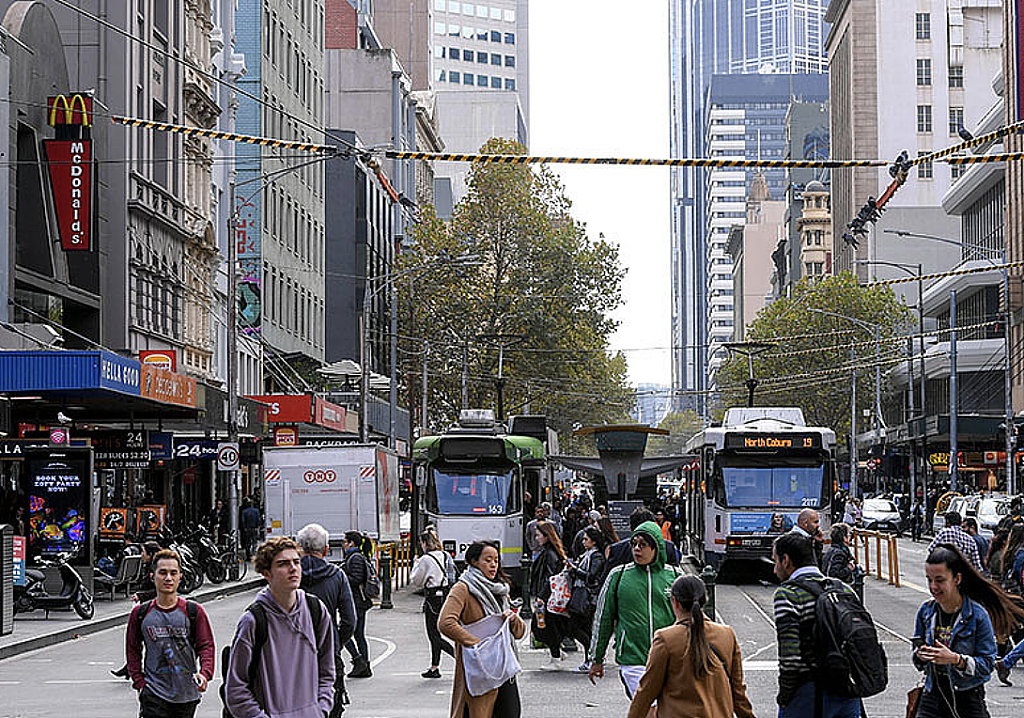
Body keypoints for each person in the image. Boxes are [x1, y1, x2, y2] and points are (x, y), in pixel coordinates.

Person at [225, 537, 334, 718]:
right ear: (267, 573)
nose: (293, 568)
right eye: (283, 564)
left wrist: (321, 709)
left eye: (296, 562)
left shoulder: (316, 610)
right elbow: (236, 690)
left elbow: (328, 670)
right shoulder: (253, 620)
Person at [912, 544, 1024, 717]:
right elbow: (917, 653)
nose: (933, 587)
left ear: (957, 579)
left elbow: (987, 665)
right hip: (932, 697)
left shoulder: (977, 616)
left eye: (940, 580)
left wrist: (957, 660)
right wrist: (920, 655)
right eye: (929, 579)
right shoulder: (926, 612)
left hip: (967, 699)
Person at [626, 575, 755, 718]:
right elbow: (738, 694)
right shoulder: (726, 635)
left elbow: (646, 692)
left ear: (674, 602)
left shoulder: (666, 639)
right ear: (705, 600)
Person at [589, 520, 683, 698]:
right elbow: (603, 618)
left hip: (671, 661)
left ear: (656, 548)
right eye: (634, 544)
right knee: (649, 709)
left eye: (643, 545)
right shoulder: (619, 575)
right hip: (633, 661)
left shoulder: (676, 576)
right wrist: (596, 658)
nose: (637, 549)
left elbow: (691, 620)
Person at [772, 532, 861, 718]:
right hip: (847, 691)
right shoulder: (844, 590)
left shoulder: (788, 594)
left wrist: (785, 696)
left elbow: (790, 657)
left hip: (807, 693)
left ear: (786, 560)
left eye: (775, 561)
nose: (774, 569)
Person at [438, 541, 526, 718]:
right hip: (479, 667)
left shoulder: (500, 591)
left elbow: (519, 633)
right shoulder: (463, 588)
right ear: (474, 561)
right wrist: (476, 643)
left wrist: (513, 619)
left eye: (496, 560)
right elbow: (445, 622)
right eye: (487, 560)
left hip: (503, 665)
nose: (493, 565)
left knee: (510, 712)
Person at [126, 549, 215, 718]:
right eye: (163, 573)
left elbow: (206, 646)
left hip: (186, 695)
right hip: (154, 693)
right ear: (153, 576)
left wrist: (205, 674)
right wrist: (140, 683)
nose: (168, 578)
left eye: (173, 573)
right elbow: (133, 650)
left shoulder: (194, 611)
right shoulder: (141, 613)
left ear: (180, 576)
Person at [297, 523, 356, 718]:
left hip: (294, 656)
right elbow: (349, 620)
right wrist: (335, 642)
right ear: (326, 549)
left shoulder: (290, 576)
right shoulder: (337, 576)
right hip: (328, 655)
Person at [409, 528, 456, 678]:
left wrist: (416, 564)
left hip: (432, 597)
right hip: (446, 595)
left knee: (433, 634)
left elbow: (416, 581)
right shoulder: (445, 555)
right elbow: (452, 575)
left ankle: (460, 657)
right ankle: (434, 667)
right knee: (438, 632)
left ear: (425, 543)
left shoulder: (425, 559)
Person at [565, 525, 607, 673]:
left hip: (588, 597)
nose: (583, 542)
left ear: (594, 541)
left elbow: (592, 576)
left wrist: (575, 570)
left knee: (579, 628)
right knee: (584, 629)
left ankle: (592, 658)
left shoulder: (596, 556)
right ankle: (591, 658)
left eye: (586, 539)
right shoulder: (587, 554)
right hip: (582, 594)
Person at [531, 520, 570, 671]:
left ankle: (556, 658)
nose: (536, 538)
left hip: (548, 598)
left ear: (546, 536)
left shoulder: (550, 555)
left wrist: (542, 596)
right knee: (543, 626)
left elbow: (550, 578)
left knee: (544, 627)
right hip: (549, 597)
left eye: (538, 535)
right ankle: (557, 653)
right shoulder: (550, 553)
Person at [340, 531, 374, 678]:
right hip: (356, 601)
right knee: (358, 634)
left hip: (357, 601)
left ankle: (360, 661)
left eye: (344, 541)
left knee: (346, 633)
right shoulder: (354, 557)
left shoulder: (355, 558)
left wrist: (340, 574)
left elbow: (356, 578)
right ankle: (363, 665)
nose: (343, 544)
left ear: (351, 543)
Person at [607, 507, 681, 570]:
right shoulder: (668, 547)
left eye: (644, 544)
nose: (637, 549)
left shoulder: (617, 550)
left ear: (631, 529)